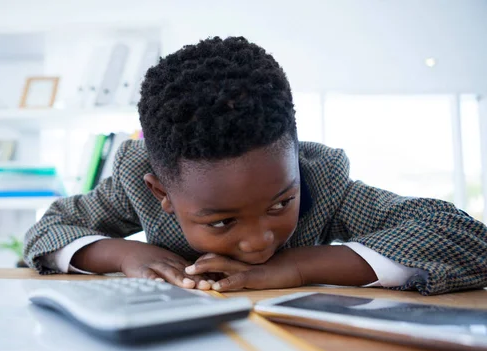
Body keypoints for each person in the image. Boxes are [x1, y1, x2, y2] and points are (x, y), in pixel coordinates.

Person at [24, 36, 487, 295]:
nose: (259, 239)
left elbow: (464, 238)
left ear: (294, 154)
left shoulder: (321, 180)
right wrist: (126, 254)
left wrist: (299, 268)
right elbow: (48, 230)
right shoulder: (134, 182)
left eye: (280, 203)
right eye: (222, 220)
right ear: (162, 194)